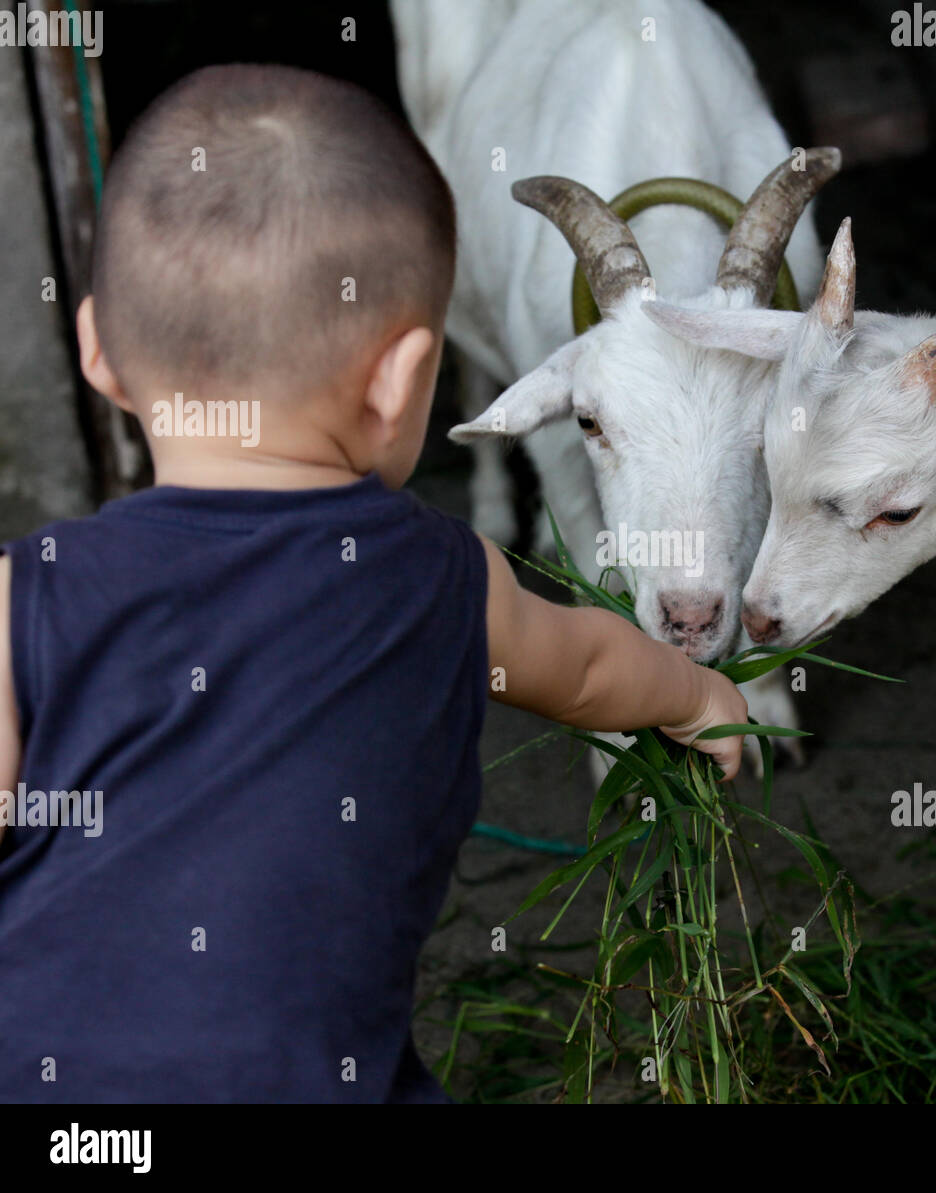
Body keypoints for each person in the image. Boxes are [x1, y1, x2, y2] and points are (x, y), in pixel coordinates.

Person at [0, 63, 747, 1103]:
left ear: (97, 353)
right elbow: (586, 663)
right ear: (402, 378)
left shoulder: (20, 597)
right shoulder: (443, 580)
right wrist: (698, 695)